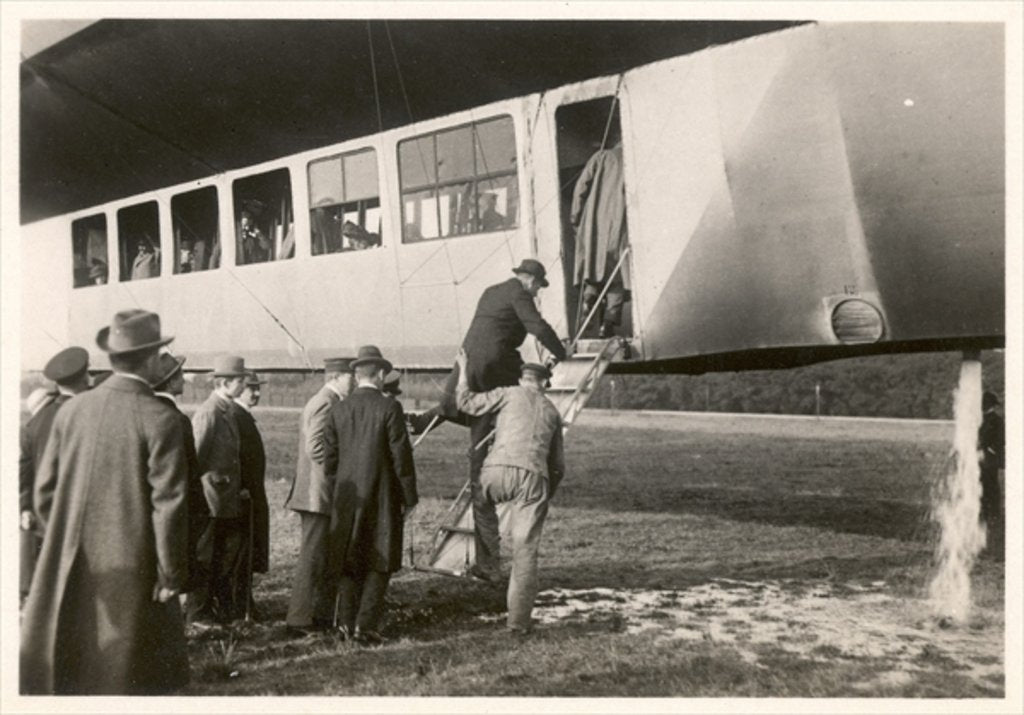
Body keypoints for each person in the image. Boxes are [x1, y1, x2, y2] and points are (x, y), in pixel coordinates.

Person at [20, 309, 190, 694]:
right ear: (149, 359)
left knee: (72, 661)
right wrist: (170, 574)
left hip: (69, 558)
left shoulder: (71, 409)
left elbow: (44, 491)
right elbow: (169, 504)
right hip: (135, 565)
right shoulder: (159, 418)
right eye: (160, 354)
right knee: (131, 673)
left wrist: (64, 538)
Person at [455, 351, 565, 635]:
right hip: (534, 478)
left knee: (481, 503)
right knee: (525, 551)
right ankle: (517, 624)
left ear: (522, 379)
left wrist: (465, 368)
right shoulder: (552, 411)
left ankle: (490, 564)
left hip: (496, 471)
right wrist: (543, 495)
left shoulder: (507, 394)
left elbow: (465, 402)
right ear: (545, 383)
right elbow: (558, 466)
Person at [323, 345, 418, 644]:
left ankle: (345, 625)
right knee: (381, 559)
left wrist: (341, 488)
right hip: (383, 496)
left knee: (349, 558)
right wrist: (409, 497)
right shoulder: (390, 408)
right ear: (378, 374)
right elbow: (401, 458)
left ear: (357, 374)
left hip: (347, 499)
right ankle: (367, 627)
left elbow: (329, 461)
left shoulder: (338, 408)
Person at [284, 357, 355, 635]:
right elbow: (316, 448)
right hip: (318, 495)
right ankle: (298, 619)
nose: (355, 380)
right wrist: (343, 467)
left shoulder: (326, 399)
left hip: (317, 494)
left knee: (319, 557)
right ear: (336, 377)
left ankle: (315, 615)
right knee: (312, 559)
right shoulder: (326, 402)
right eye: (351, 376)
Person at [19, 347, 91, 605]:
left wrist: (26, 506)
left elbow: (24, 469)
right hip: (81, 517)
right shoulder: (87, 415)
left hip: (45, 518)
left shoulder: (36, 422)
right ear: (85, 377)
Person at [188, 355, 249, 625]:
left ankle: (216, 609)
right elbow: (195, 459)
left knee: (224, 556)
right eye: (240, 380)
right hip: (212, 500)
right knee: (206, 556)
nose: (244, 385)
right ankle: (198, 612)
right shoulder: (209, 413)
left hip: (226, 499)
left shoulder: (226, 410)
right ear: (225, 382)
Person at [151, 352, 208, 604]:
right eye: (180, 375)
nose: (184, 380)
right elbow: (189, 470)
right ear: (170, 381)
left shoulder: (149, 413)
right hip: (178, 505)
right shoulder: (176, 419)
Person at [570, 133, 631, 338]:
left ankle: (589, 299)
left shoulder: (601, 156)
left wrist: (576, 217)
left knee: (593, 268)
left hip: (594, 224)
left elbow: (581, 187)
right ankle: (608, 324)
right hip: (621, 224)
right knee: (617, 278)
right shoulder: (632, 157)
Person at [233, 371, 271, 618]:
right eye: (251, 388)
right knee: (241, 552)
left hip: (252, 494)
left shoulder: (242, 416)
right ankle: (241, 606)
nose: (256, 393)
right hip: (244, 496)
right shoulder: (236, 416)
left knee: (248, 550)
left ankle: (245, 603)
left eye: (258, 388)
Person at [978, 391, 1005, 555]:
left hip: (989, 461)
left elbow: (1000, 441)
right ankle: (984, 512)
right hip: (979, 461)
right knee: (980, 486)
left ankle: (993, 514)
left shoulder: (996, 420)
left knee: (991, 486)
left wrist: (987, 450)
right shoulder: (978, 419)